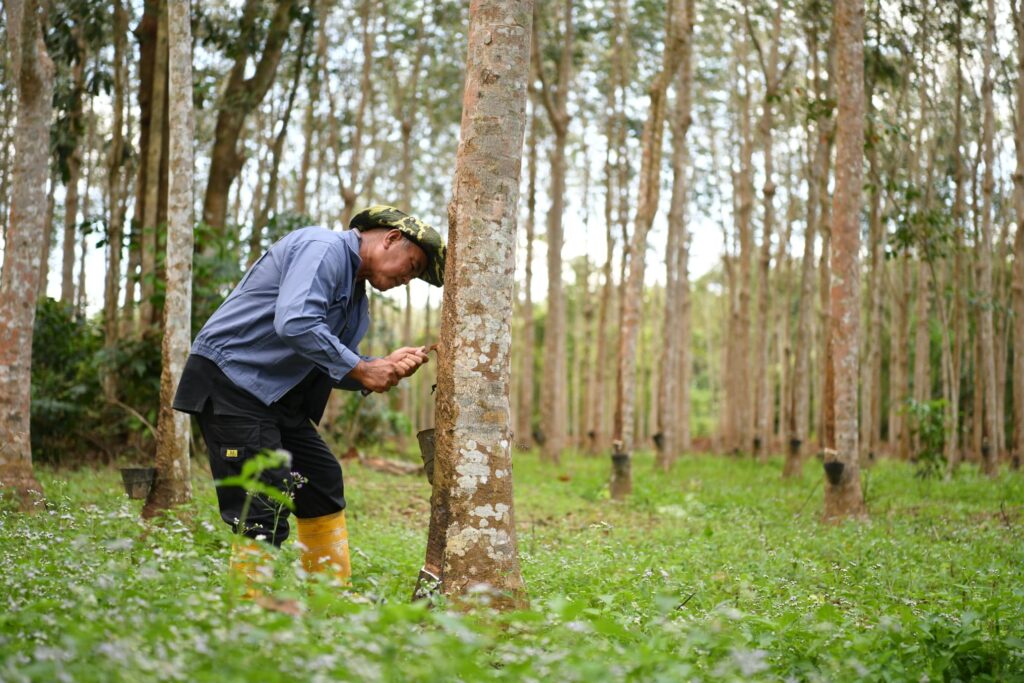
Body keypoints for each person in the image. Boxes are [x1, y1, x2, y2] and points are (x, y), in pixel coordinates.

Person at [172, 205, 446, 589]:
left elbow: (325, 362)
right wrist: (362, 368)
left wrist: (379, 367)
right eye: (412, 266)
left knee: (321, 482)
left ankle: (330, 599)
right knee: (262, 502)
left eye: (414, 277)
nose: (407, 279)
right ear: (391, 238)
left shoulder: (357, 303)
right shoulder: (324, 248)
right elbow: (296, 322)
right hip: (233, 382)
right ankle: (249, 613)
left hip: (277, 397)